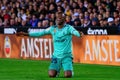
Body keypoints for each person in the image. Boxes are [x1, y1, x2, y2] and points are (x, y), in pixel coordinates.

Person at [16, 11, 83, 78]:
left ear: (64, 19)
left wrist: (79, 34)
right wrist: (26, 34)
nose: (58, 19)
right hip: (56, 56)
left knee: (68, 75)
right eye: (57, 18)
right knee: (51, 74)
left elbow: (75, 32)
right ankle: (57, 70)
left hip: (67, 56)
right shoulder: (52, 28)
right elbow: (41, 33)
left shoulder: (68, 28)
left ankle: (70, 70)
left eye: (60, 18)